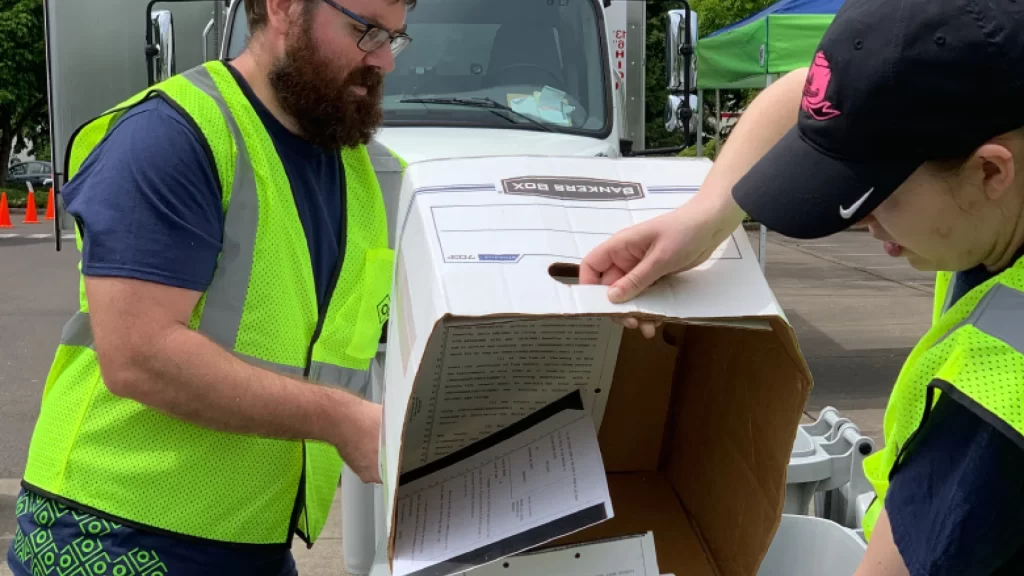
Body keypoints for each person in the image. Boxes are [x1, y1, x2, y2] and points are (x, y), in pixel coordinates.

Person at [582, 0, 1024, 574]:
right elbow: (807, 90)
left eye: (874, 195)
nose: (859, 222)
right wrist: (709, 214)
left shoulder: (999, 384)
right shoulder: (989, 192)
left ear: (991, 171)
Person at [7, 0, 413, 574]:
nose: (384, 62)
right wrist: (340, 420)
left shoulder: (363, 172)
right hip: (110, 535)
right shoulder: (172, 136)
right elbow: (139, 355)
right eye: (365, 31)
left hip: (250, 539)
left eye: (394, 39)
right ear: (284, 8)